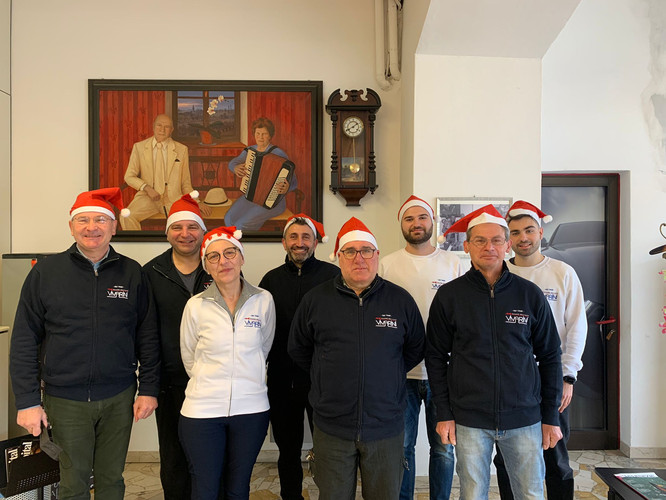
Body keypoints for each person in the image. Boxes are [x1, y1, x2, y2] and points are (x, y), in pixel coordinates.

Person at [9, 187, 160, 500]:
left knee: (111, 479)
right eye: (83, 220)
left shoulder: (132, 272)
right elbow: (25, 338)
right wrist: (26, 401)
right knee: (73, 482)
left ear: (114, 227)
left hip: (119, 396)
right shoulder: (46, 272)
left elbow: (147, 335)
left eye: (100, 220)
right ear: (71, 226)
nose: (92, 227)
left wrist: (148, 388)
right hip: (65, 399)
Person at [426, 204, 563, 500]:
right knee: (473, 494)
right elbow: (435, 357)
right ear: (467, 246)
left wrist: (550, 416)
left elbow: (551, 356)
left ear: (507, 245)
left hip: (524, 418)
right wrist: (444, 413)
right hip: (469, 419)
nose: (489, 247)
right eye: (480, 240)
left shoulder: (529, 294)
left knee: (530, 493)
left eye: (496, 240)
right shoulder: (449, 296)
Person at [289, 217, 426, 500]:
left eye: (366, 250)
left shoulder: (399, 300)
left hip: (385, 426)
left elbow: (415, 348)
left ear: (377, 255)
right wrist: (327, 374)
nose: (359, 258)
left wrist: (386, 373)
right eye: (350, 251)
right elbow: (299, 348)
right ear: (339, 257)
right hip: (332, 426)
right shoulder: (316, 300)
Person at [493, 200, 587, 500]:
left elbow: (577, 327)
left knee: (555, 455)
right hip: (509, 380)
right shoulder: (499, 274)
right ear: (508, 238)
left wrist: (568, 376)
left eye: (529, 230)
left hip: (552, 376)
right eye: (515, 232)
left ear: (541, 232)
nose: (523, 238)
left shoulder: (562, 272)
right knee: (506, 457)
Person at [179, 226, 275, 500]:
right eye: (214, 256)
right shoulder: (195, 305)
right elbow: (189, 356)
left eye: (230, 253)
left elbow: (264, 347)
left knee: (238, 488)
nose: (223, 261)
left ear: (241, 258)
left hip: (251, 410)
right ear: (206, 266)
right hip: (202, 411)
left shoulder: (263, 300)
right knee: (205, 489)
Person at [378, 195, 464, 500]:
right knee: (403, 446)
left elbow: (462, 315)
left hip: (444, 373)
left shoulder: (452, 263)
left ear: (433, 221)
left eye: (422, 217)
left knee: (443, 448)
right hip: (401, 373)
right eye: (409, 218)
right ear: (401, 225)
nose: (416, 223)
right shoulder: (387, 264)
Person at [259, 214, 340, 500]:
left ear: (316, 242)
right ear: (284, 242)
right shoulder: (270, 280)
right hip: (282, 379)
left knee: (329, 448)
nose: (300, 242)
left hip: (324, 381)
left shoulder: (333, 277)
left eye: (306, 237)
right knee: (288, 448)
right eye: (293, 236)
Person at [142, 193, 213, 500]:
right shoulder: (151, 273)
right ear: (167, 232)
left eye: (192, 227)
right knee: (173, 455)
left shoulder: (220, 266)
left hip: (213, 382)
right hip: (169, 381)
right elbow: (145, 332)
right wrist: (149, 382)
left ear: (203, 231)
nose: (185, 234)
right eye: (177, 227)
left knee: (210, 454)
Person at [122, 114, 210, 231]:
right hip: (148, 197)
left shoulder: (181, 149)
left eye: (167, 127)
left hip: (173, 199)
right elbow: (129, 176)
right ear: (153, 126)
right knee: (126, 216)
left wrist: (197, 202)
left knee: (190, 220)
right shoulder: (139, 147)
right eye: (159, 125)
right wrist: (146, 188)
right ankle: (136, 243)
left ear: (171, 130)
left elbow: (185, 182)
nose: (162, 130)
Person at [224, 117, 297, 230]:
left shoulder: (278, 153)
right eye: (257, 133)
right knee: (228, 218)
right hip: (250, 197)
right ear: (254, 134)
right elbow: (233, 163)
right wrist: (235, 167)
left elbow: (293, 181)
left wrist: (286, 187)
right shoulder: (250, 150)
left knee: (241, 224)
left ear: (270, 136)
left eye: (264, 134)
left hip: (273, 202)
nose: (260, 137)